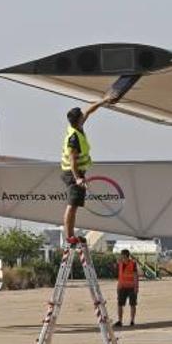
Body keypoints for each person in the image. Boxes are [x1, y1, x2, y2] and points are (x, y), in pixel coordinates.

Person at [62, 98, 110, 245]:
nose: (84, 116)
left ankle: (71, 235)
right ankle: (69, 236)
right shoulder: (74, 138)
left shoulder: (78, 126)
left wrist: (104, 101)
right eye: (82, 116)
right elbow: (73, 161)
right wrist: (77, 178)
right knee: (72, 205)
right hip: (72, 173)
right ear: (78, 120)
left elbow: (89, 110)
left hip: (78, 172)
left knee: (75, 205)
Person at [115, 249, 139, 327]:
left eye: (123, 256)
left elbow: (135, 276)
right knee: (120, 304)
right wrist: (118, 286)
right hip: (122, 287)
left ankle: (132, 321)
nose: (121, 257)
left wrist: (136, 287)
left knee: (132, 304)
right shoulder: (120, 264)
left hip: (131, 287)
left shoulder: (133, 264)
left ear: (126, 256)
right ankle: (120, 321)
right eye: (121, 256)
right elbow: (119, 275)